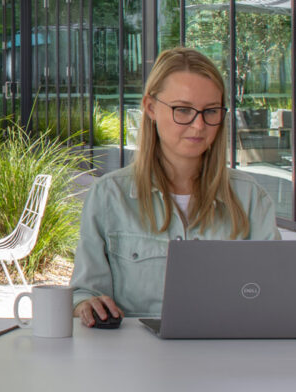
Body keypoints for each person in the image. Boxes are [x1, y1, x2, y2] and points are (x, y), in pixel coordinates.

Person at [71, 46, 279, 326]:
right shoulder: (110, 196)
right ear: (150, 107)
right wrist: (85, 303)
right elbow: (85, 291)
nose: (198, 125)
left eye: (211, 111)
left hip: (226, 359)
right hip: (136, 361)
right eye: (183, 110)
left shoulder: (249, 198)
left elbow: (275, 294)